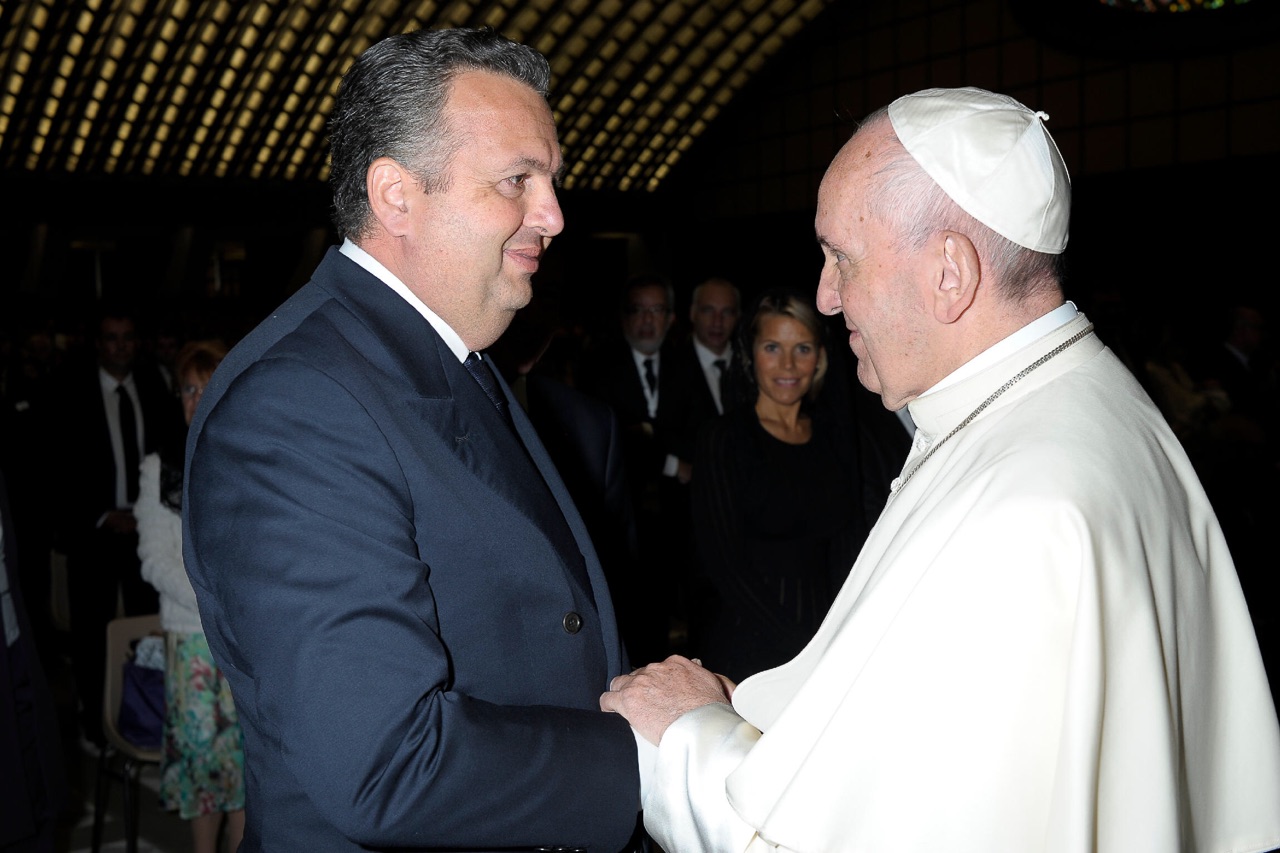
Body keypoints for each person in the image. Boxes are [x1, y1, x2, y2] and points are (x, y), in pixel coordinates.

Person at [600, 87, 1280, 852]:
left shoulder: (1024, 513)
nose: (825, 297)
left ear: (950, 274)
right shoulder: (1079, 401)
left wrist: (684, 733)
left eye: (841, 258)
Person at [183, 28, 639, 852]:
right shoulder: (296, 404)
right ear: (395, 195)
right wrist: (643, 750)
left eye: (551, 180)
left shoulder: (445, 354)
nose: (554, 215)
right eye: (517, 181)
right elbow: (386, 763)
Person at [690, 290, 867, 683]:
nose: (788, 364)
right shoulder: (722, 439)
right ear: (751, 353)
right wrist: (805, 648)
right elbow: (724, 566)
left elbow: (848, 546)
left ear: (820, 357)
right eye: (773, 347)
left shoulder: (834, 435)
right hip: (750, 651)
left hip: (828, 643)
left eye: (802, 348)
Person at [135, 340, 244, 853]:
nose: (196, 398)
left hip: (248, 640)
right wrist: (217, 597)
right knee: (207, 784)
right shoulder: (161, 466)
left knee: (248, 777)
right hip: (195, 640)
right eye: (187, 388)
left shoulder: (250, 454)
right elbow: (154, 559)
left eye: (206, 384)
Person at [53, 306, 177, 745]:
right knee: (93, 632)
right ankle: (94, 723)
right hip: (97, 530)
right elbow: (59, 467)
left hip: (149, 528)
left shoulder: (154, 386)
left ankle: (151, 714)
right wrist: (103, 515)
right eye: (111, 337)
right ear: (98, 343)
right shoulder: (71, 391)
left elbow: (168, 452)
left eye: (127, 336)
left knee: (148, 623)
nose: (120, 345)